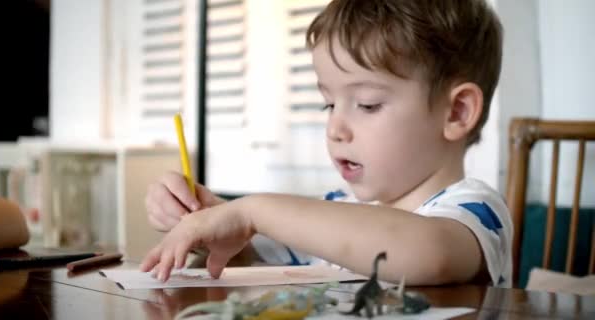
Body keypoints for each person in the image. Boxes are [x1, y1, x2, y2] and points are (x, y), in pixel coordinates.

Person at [140, 0, 513, 288]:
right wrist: (211, 221)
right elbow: (249, 258)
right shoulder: (337, 209)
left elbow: (429, 254)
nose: (335, 127)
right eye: (329, 104)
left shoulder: (475, 212)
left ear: (457, 112)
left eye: (367, 104)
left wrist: (253, 211)